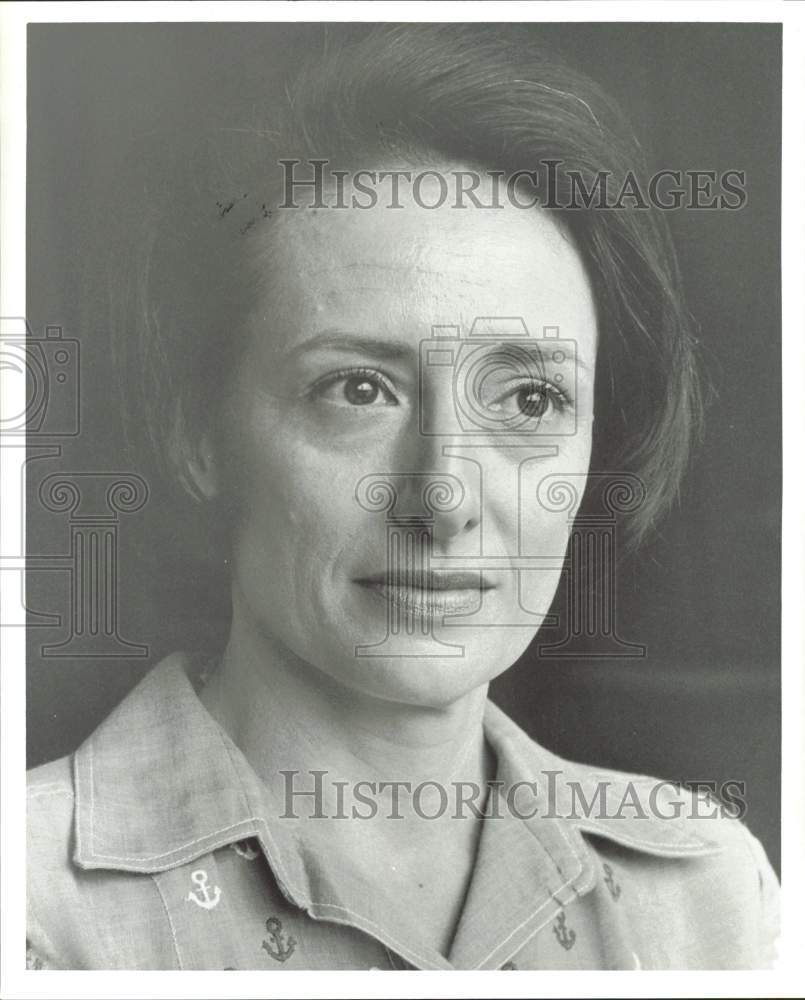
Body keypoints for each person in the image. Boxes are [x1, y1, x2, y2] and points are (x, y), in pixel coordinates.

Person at [26, 24, 779, 971]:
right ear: (196, 434)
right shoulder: (34, 908)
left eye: (530, 399)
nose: (444, 497)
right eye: (357, 389)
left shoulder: (707, 897)